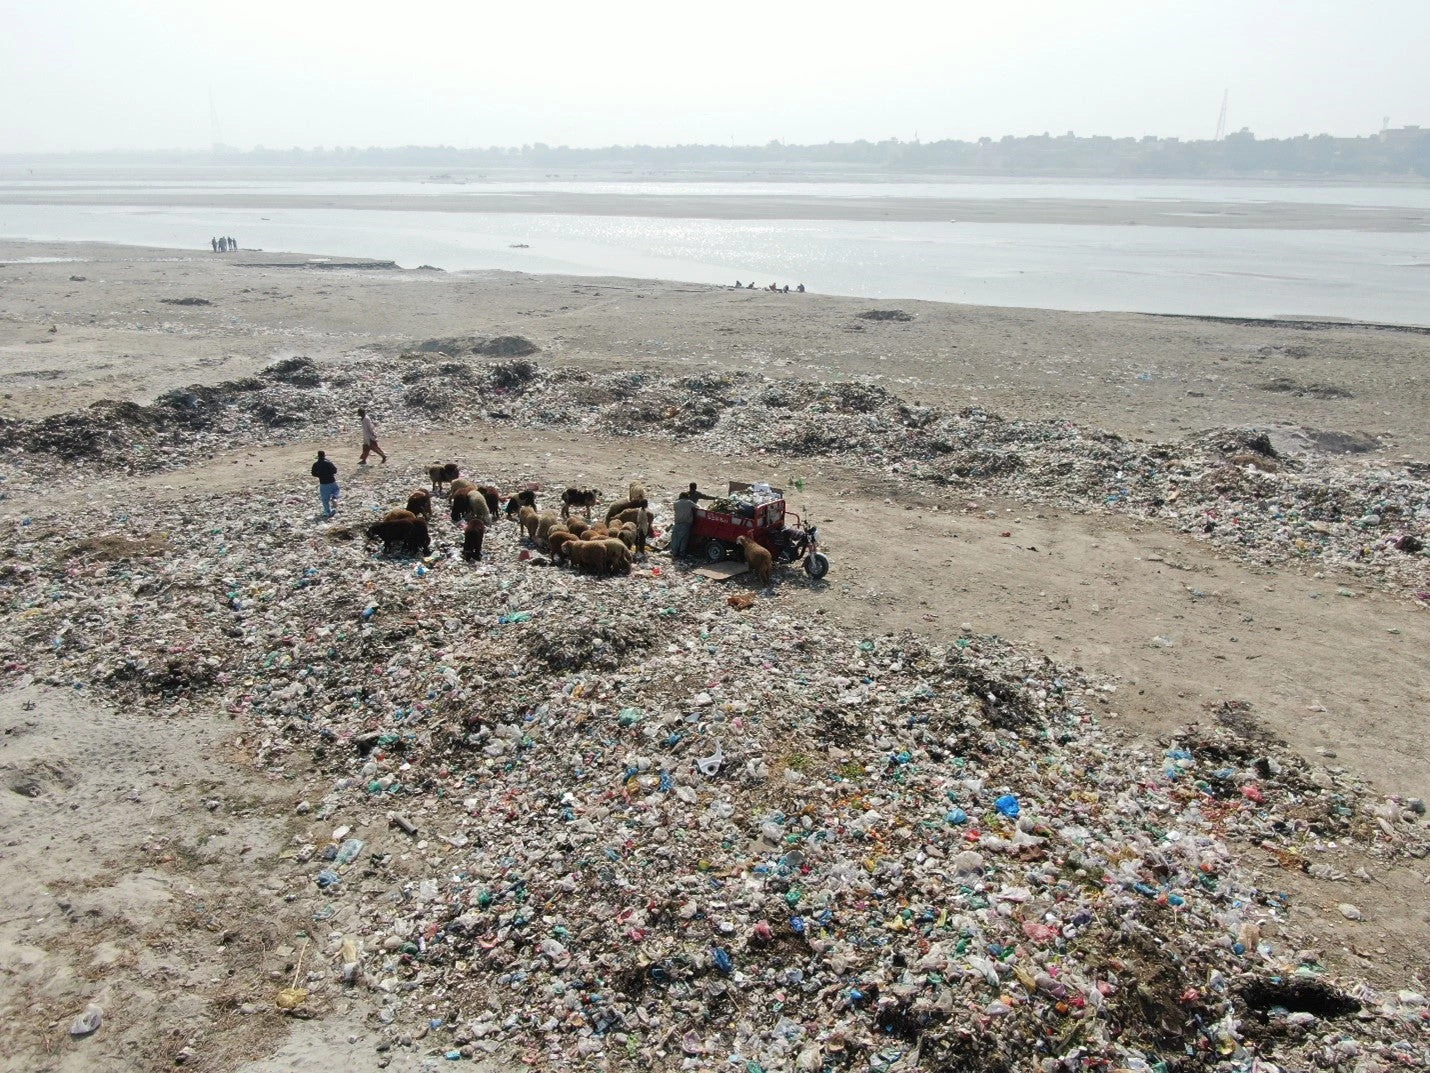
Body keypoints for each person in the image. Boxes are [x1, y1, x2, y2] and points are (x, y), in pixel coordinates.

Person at [311, 450, 339, 517]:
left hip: (323, 483)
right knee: (336, 490)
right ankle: (334, 498)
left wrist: (320, 475)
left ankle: (327, 511)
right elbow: (335, 471)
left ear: (318, 456)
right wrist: (330, 474)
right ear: (324, 455)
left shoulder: (315, 464)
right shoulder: (329, 463)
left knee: (325, 499)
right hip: (332, 481)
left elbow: (313, 473)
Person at [670, 491, 694, 559]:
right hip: (686, 523)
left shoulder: (675, 503)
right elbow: (697, 508)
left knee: (675, 538)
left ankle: (674, 553)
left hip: (677, 523)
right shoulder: (689, 502)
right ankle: (681, 553)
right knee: (683, 539)